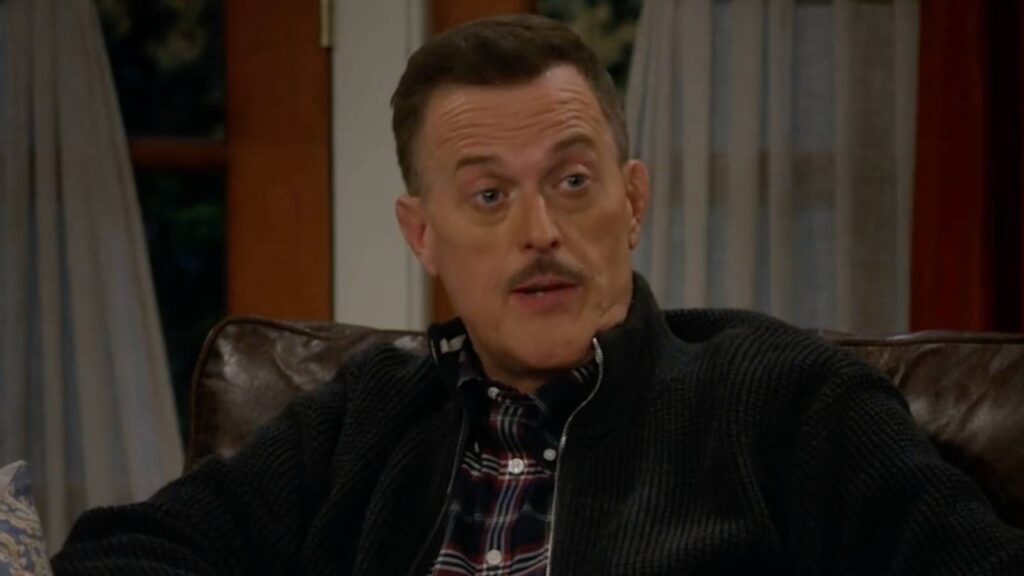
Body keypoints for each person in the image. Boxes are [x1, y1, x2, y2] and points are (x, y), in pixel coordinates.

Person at [53, 14, 1024, 576]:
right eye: (488, 196)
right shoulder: (367, 411)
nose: (540, 231)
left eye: (572, 181)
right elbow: (126, 554)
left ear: (630, 202)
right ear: (422, 236)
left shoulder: (783, 397)